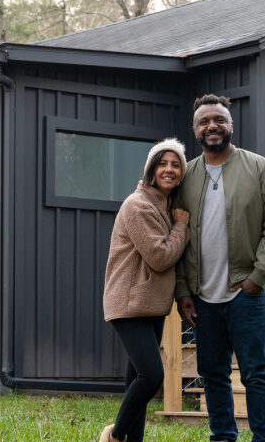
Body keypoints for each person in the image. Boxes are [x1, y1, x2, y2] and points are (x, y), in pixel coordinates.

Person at [174, 94, 265, 442]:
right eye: (204, 121)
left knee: (255, 373)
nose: (212, 126)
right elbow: (176, 238)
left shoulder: (259, 167)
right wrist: (182, 291)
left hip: (247, 294)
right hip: (202, 298)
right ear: (195, 129)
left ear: (231, 126)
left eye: (219, 120)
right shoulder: (186, 176)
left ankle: (264, 438)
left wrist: (258, 278)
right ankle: (222, 436)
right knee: (213, 374)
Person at [100, 138, 191, 442]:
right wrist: (180, 228)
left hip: (151, 304)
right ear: (151, 171)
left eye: (175, 164)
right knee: (152, 377)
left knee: (135, 380)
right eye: (162, 164)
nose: (169, 169)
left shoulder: (165, 207)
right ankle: (115, 436)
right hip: (130, 302)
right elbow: (160, 256)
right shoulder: (137, 205)